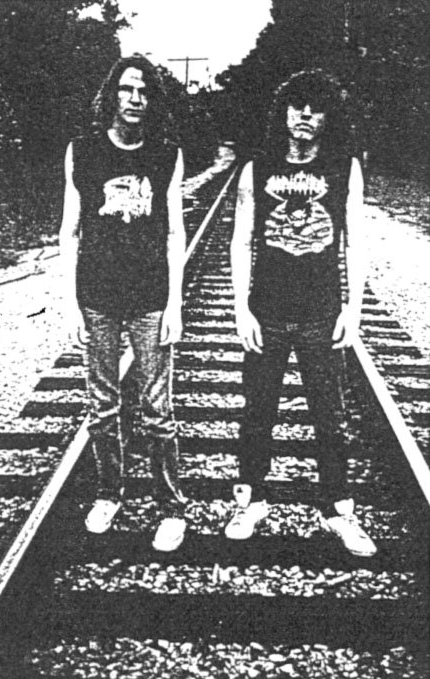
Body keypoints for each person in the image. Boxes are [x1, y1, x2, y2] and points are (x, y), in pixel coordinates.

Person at [227, 70, 376, 557]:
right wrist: (241, 308)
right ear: (283, 112)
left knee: (331, 418)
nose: (306, 115)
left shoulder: (343, 167)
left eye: (316, 107)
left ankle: (337, 509)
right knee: (257, 412)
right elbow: (241, 241)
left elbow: (354, 241)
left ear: (329, 116)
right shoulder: (257, 168)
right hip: (267, 311)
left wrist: (353, 308)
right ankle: (250, 500)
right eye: (297, 105)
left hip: (321, 313)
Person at [59, 54, 187, 551]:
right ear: (112, 94)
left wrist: (175, 305)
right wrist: (70, 303)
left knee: (158, 409)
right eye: (127, 89)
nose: (135, 99)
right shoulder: (83, 151)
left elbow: (174, 233)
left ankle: (171, 507)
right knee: (102, 405)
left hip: (150, 297)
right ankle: (109, 494)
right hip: (97, 297)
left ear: (153, 101)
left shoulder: (166, 154)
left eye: (144, 91)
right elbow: (70, 232)